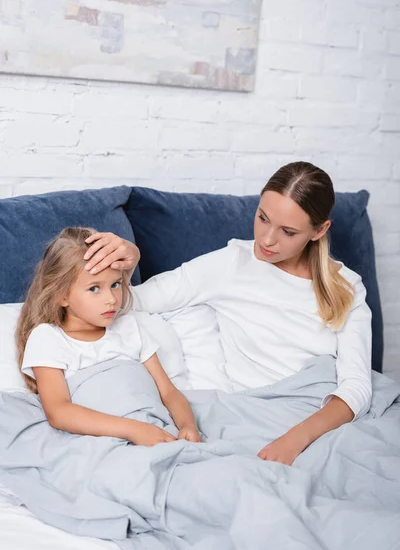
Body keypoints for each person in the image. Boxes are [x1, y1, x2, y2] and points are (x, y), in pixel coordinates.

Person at [82, 162, 372, 466]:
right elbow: (133, 303)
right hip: (252, 417)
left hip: (320, 422)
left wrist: (294, 440)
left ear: (319, 230)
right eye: (262, 218)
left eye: (288, 232)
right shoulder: (230, 264)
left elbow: (357, 384)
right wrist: (128, 265)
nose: (267, 239)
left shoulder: (347, 286)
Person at [16, 227, 202, 447]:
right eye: (94, 288)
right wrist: (135, 430)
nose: (111, 300)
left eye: (115, 284)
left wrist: (188, 425)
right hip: (107, 440)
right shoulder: (48, 338)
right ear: (61, 294)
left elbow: (168, 392)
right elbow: (59, 411)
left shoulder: (129, 327)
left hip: (157, 427)